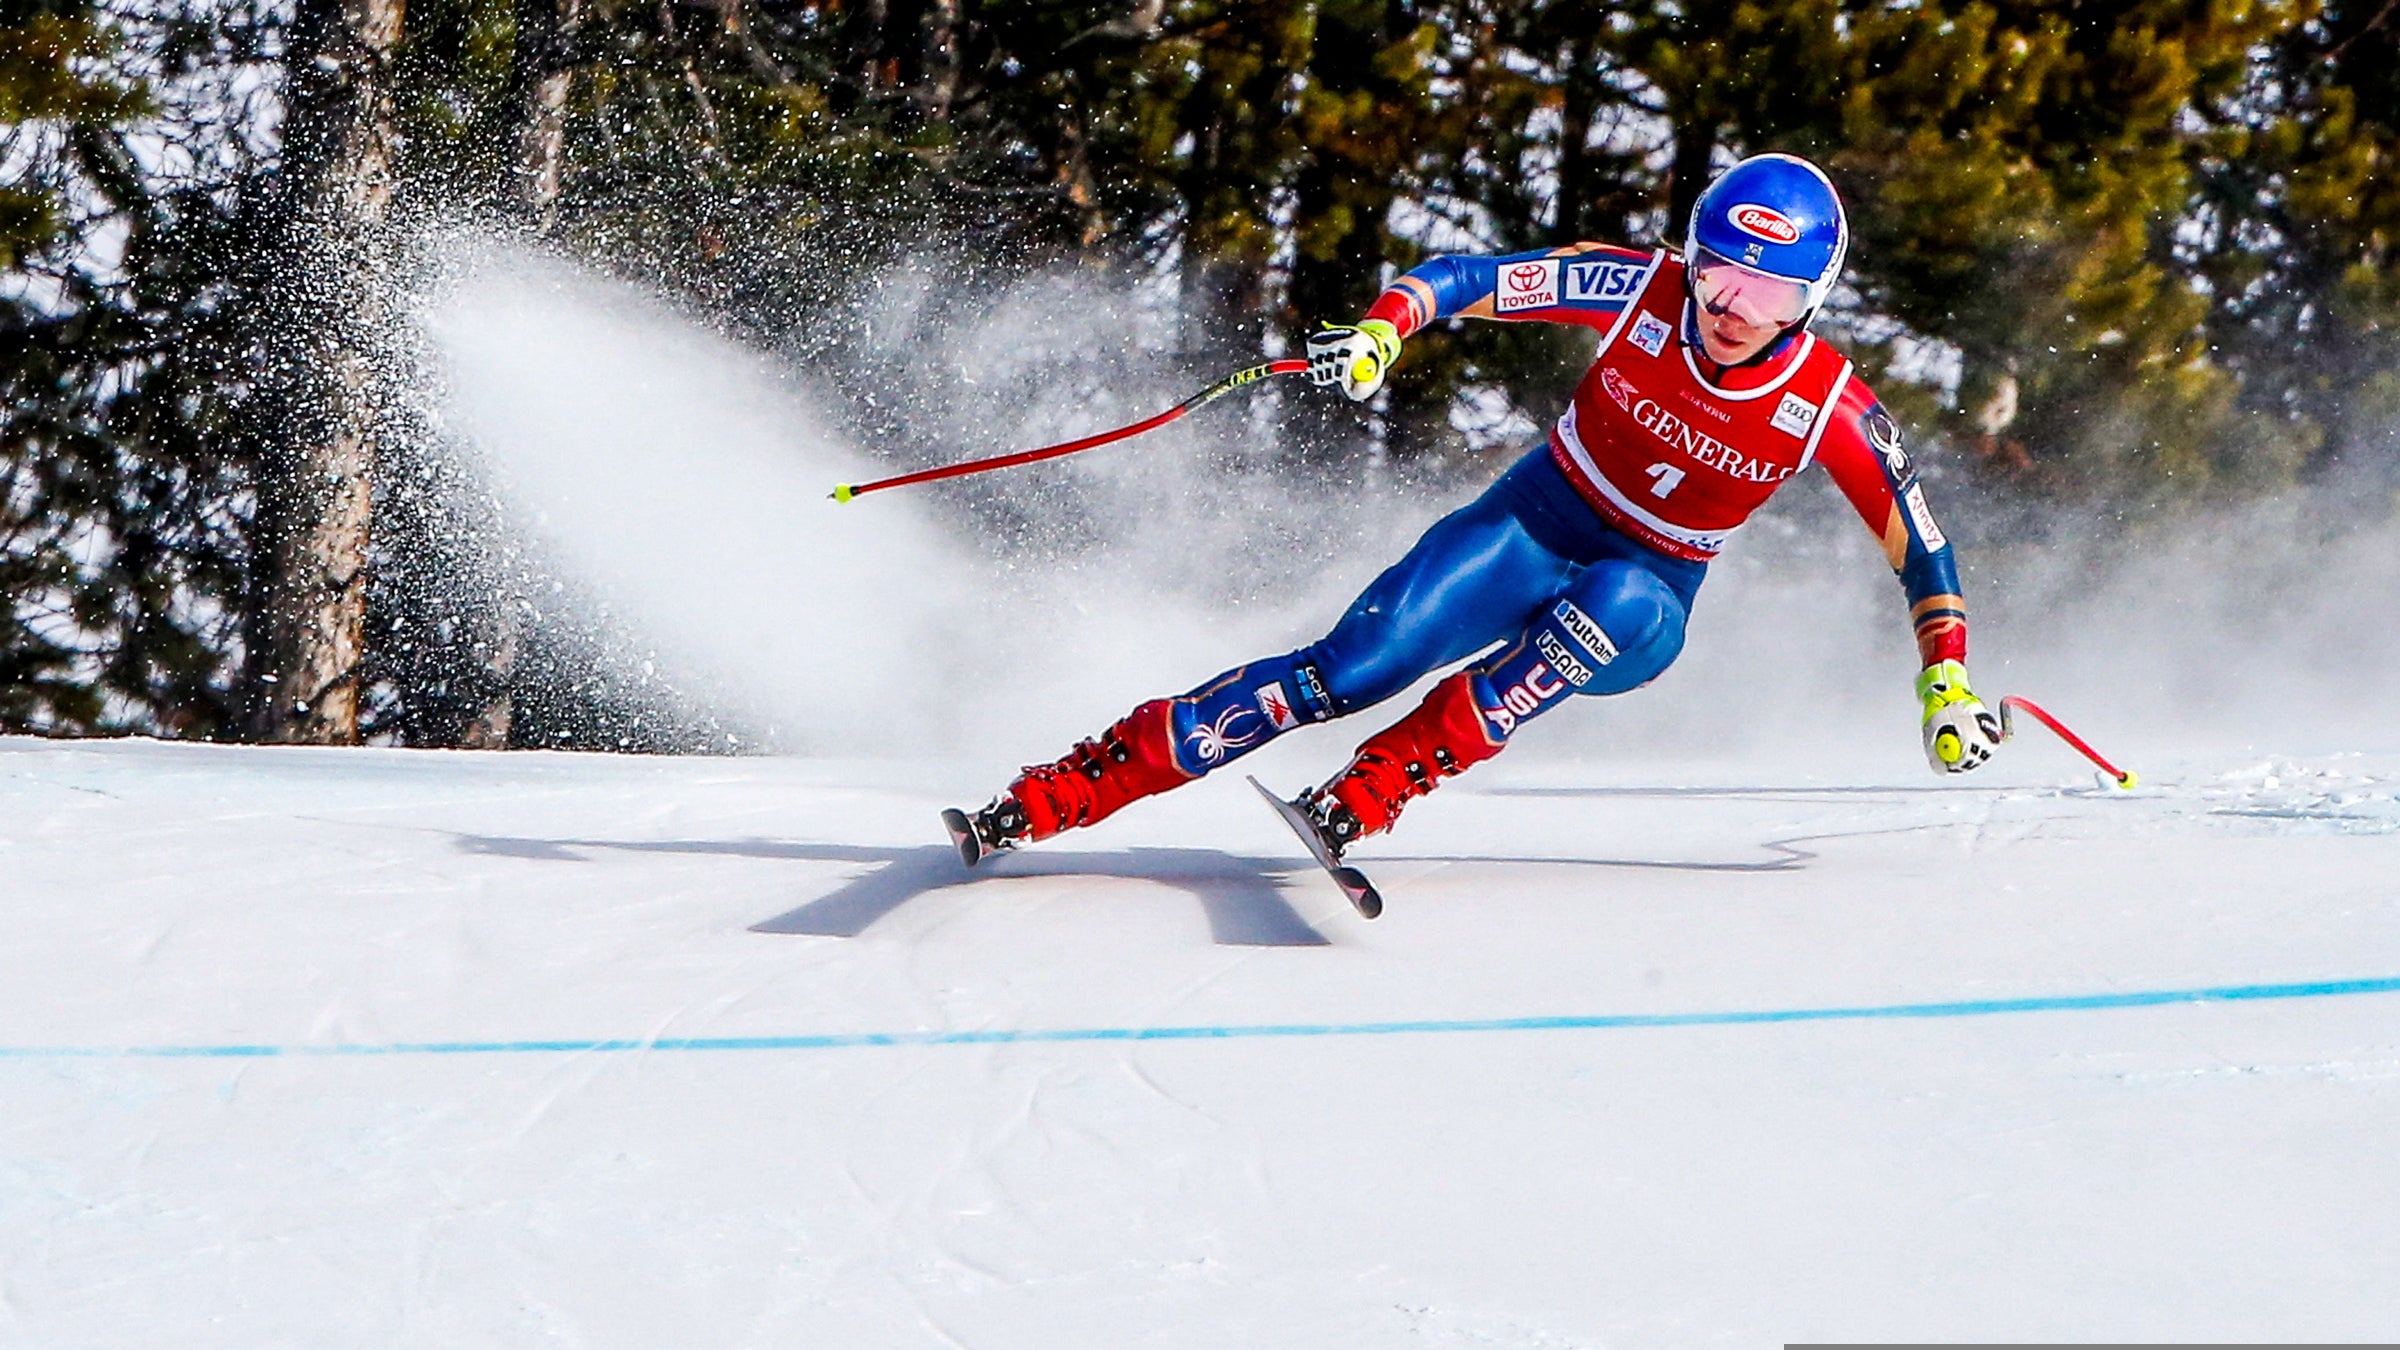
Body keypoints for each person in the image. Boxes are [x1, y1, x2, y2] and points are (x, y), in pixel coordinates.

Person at [944, 152, 2003, 868]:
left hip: (1650, 596)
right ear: (1692, 259)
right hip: (1537, 519)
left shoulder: (1830, 403)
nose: (1730, 314)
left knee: (1624, 598)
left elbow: (1923, 549)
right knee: (1345, 670)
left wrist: (1945, 678)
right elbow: (1466, 279)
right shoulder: (1642, 288)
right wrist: (1381, 331)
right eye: (1720, 279)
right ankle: (1061, 793)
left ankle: (1389, 777)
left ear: (1808, 304)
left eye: (1767, 299)